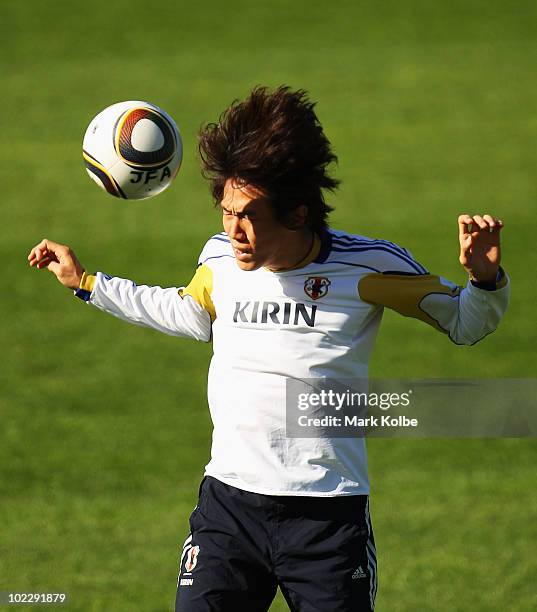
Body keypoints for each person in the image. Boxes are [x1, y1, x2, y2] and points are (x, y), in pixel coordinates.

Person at [28, 86, 509, 612]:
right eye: (227, 212)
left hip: (326, 521)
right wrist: (88, 283)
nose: (233, 231)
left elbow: (465, 324)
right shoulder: (221, 260)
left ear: (297, 214)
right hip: (228, 510)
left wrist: (484, 281)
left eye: (250, 216)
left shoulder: (368, 268)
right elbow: (186, 312)